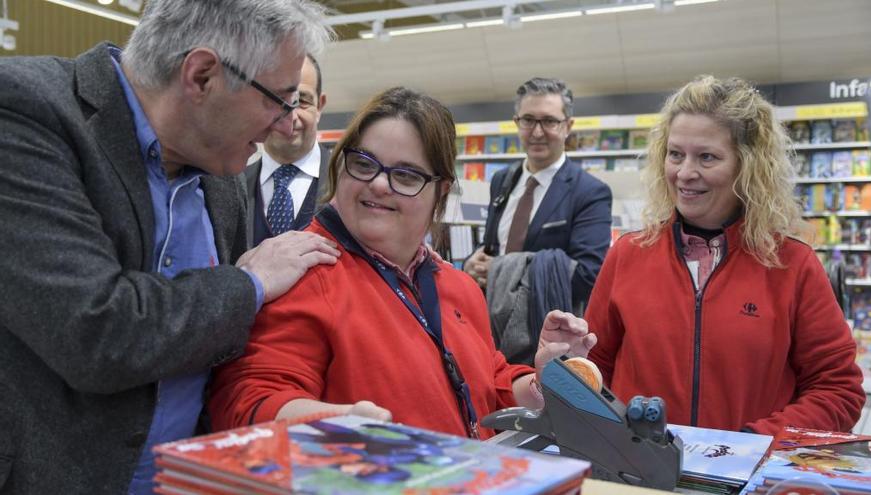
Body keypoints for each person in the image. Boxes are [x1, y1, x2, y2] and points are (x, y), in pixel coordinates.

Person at [0, 1, 339, 493]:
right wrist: (248, 283)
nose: (284, 123)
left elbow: (216, 347)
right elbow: (96, 332)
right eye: (279, 99)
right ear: (201, 75)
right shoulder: (28, 113)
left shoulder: (220, 176)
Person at [208, 87, 596, 439]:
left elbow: (487, 383)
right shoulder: (302, 269)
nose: (378, 184)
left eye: (406, 175)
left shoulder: (456, 286)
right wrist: (334, 422)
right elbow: (246, 402)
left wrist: (542, 379)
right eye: (363, 163)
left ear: (440, 191)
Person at [585, 75, 865, 435]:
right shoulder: (627, 254)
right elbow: (593, 368)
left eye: (707, 157)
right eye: (675, 154)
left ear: (747, 165)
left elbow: (838, 389)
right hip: (639, 478)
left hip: (748, 481)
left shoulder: (792, 265)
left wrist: (755, 443)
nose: (685, 173)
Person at [463, 77, 612, 308]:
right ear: (516, 122)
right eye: (528, 120)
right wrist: (472, 263)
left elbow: (588, 276)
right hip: (491, 318)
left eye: (550, 121)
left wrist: (502, 270)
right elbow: (493, 245)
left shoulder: (590, 192)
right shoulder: (502, 180)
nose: (537, 132)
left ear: (568, 126)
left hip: (546, 327)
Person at [244, 53, 330, 247]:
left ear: (320, 106)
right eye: (276, 100)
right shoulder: (231, 185)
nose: (290, 117)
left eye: (302, 101)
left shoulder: (348, 183)